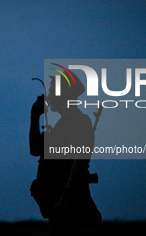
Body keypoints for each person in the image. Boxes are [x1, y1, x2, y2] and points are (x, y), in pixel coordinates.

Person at [30, 71, 101, 236]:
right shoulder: (60, 126)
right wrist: (35, 116)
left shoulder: (79, 122)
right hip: (58, 203)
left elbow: (80, 161)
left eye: (53, 91)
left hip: (69, 206)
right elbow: (34, 150)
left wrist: (65, 198)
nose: (49, 95)